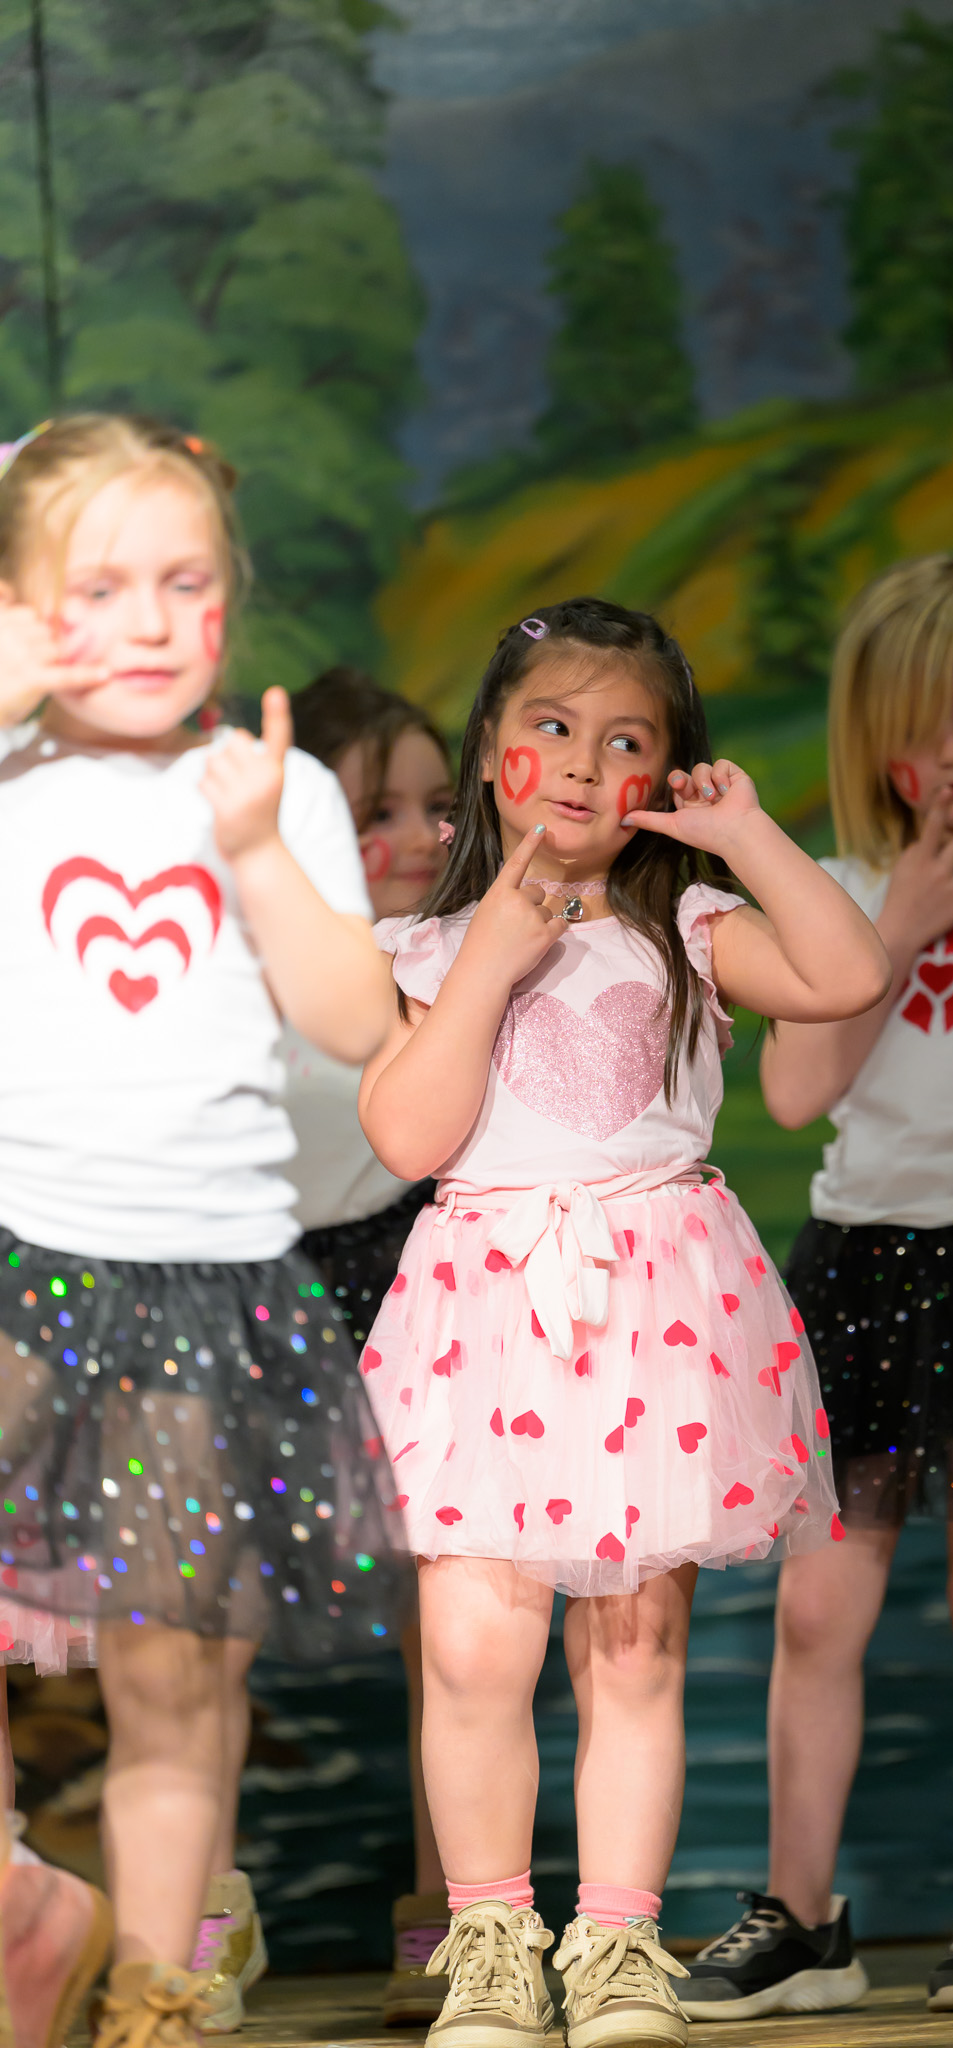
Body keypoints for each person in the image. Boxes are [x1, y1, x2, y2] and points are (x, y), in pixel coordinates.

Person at [356, 596, 890, 2048]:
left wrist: (747, 837)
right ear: (490, 752)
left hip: (651, 1318)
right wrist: (490, 955)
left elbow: (848, 975)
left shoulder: (691, 928)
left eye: (626, 740)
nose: (587, 764)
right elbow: (407, 1135)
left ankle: (616, 1949)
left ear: (667, 772)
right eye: (553, 728)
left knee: (636, 1650)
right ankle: (488, 1946)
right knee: (474, 1650)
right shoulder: (426, 947)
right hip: (486, 1321)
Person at [678, 555, 953, 2022]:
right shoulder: (844, 892)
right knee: (821, 1610)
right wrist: (901, 933)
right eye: (924, 726)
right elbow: (797, 1090)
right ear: (872, 741)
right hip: (868, 1257)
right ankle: (801, 1912)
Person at [0, 413, 402, 2048]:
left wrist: (253, 854)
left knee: (170, 1678)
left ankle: (156, 1993)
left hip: (203, 1295)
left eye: (185, 583)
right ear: (16, 605)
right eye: (98, 589)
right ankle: (27, 1905)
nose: (152, 623)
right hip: (19, 1267)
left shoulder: (276, 789)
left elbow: (357, 1022)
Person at [287, 666, 455, 2026]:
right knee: (197, 1616)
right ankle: (199, 1917)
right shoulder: (252, 956)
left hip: (417, 1265)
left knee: (442, 1609)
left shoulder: (465, 957)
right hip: (255, 1279)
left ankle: (450, 1909)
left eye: (436, 806)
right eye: (369, 813)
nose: (411, 837)